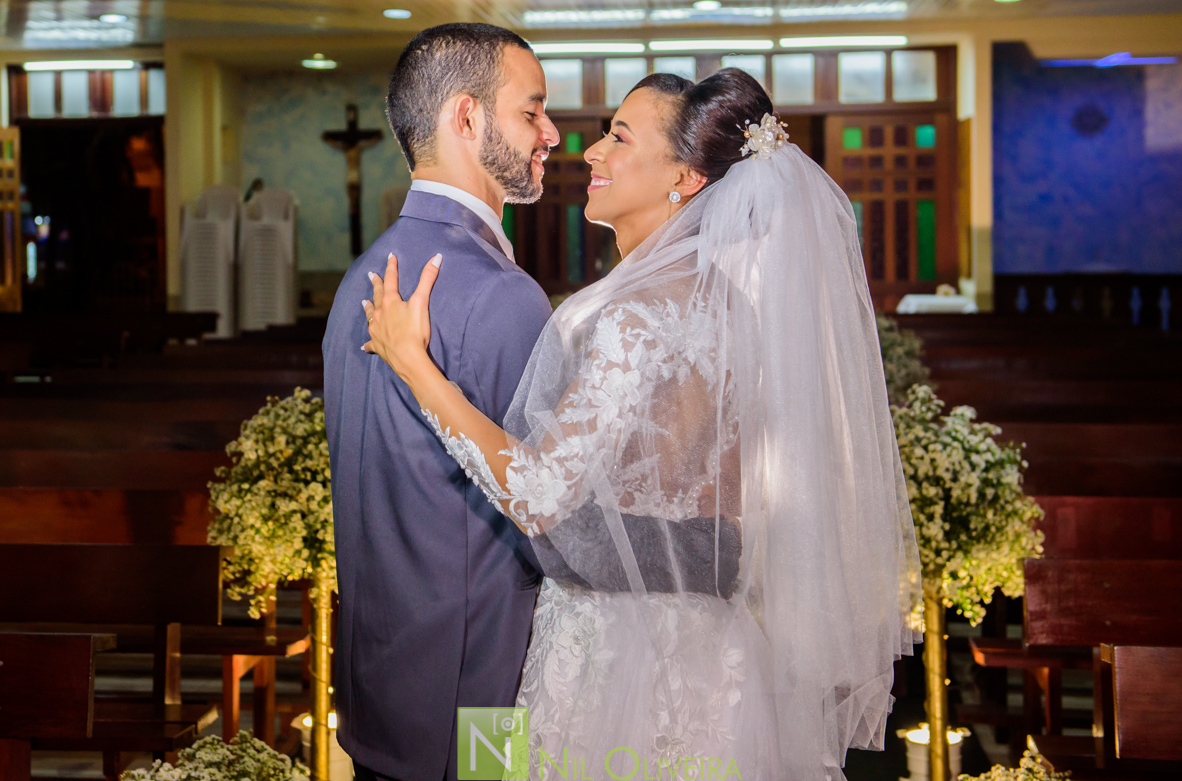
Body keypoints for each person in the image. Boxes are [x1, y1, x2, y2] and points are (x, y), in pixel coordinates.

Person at [363, 68, 921, 780]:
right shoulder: (730, 309)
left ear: (684, 178)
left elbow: (539, 494)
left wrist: (414, 363)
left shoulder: (632, 318)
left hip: (616, 654)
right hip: (719, 648)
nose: (591, 152)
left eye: (618, 137)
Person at [321, 23, 559, 781]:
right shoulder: (500, 294)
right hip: (479, 706)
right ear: (466, 117)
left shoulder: (360, 276)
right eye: (532, 111)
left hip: (378, 698)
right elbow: (544, 513)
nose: (551, 134)